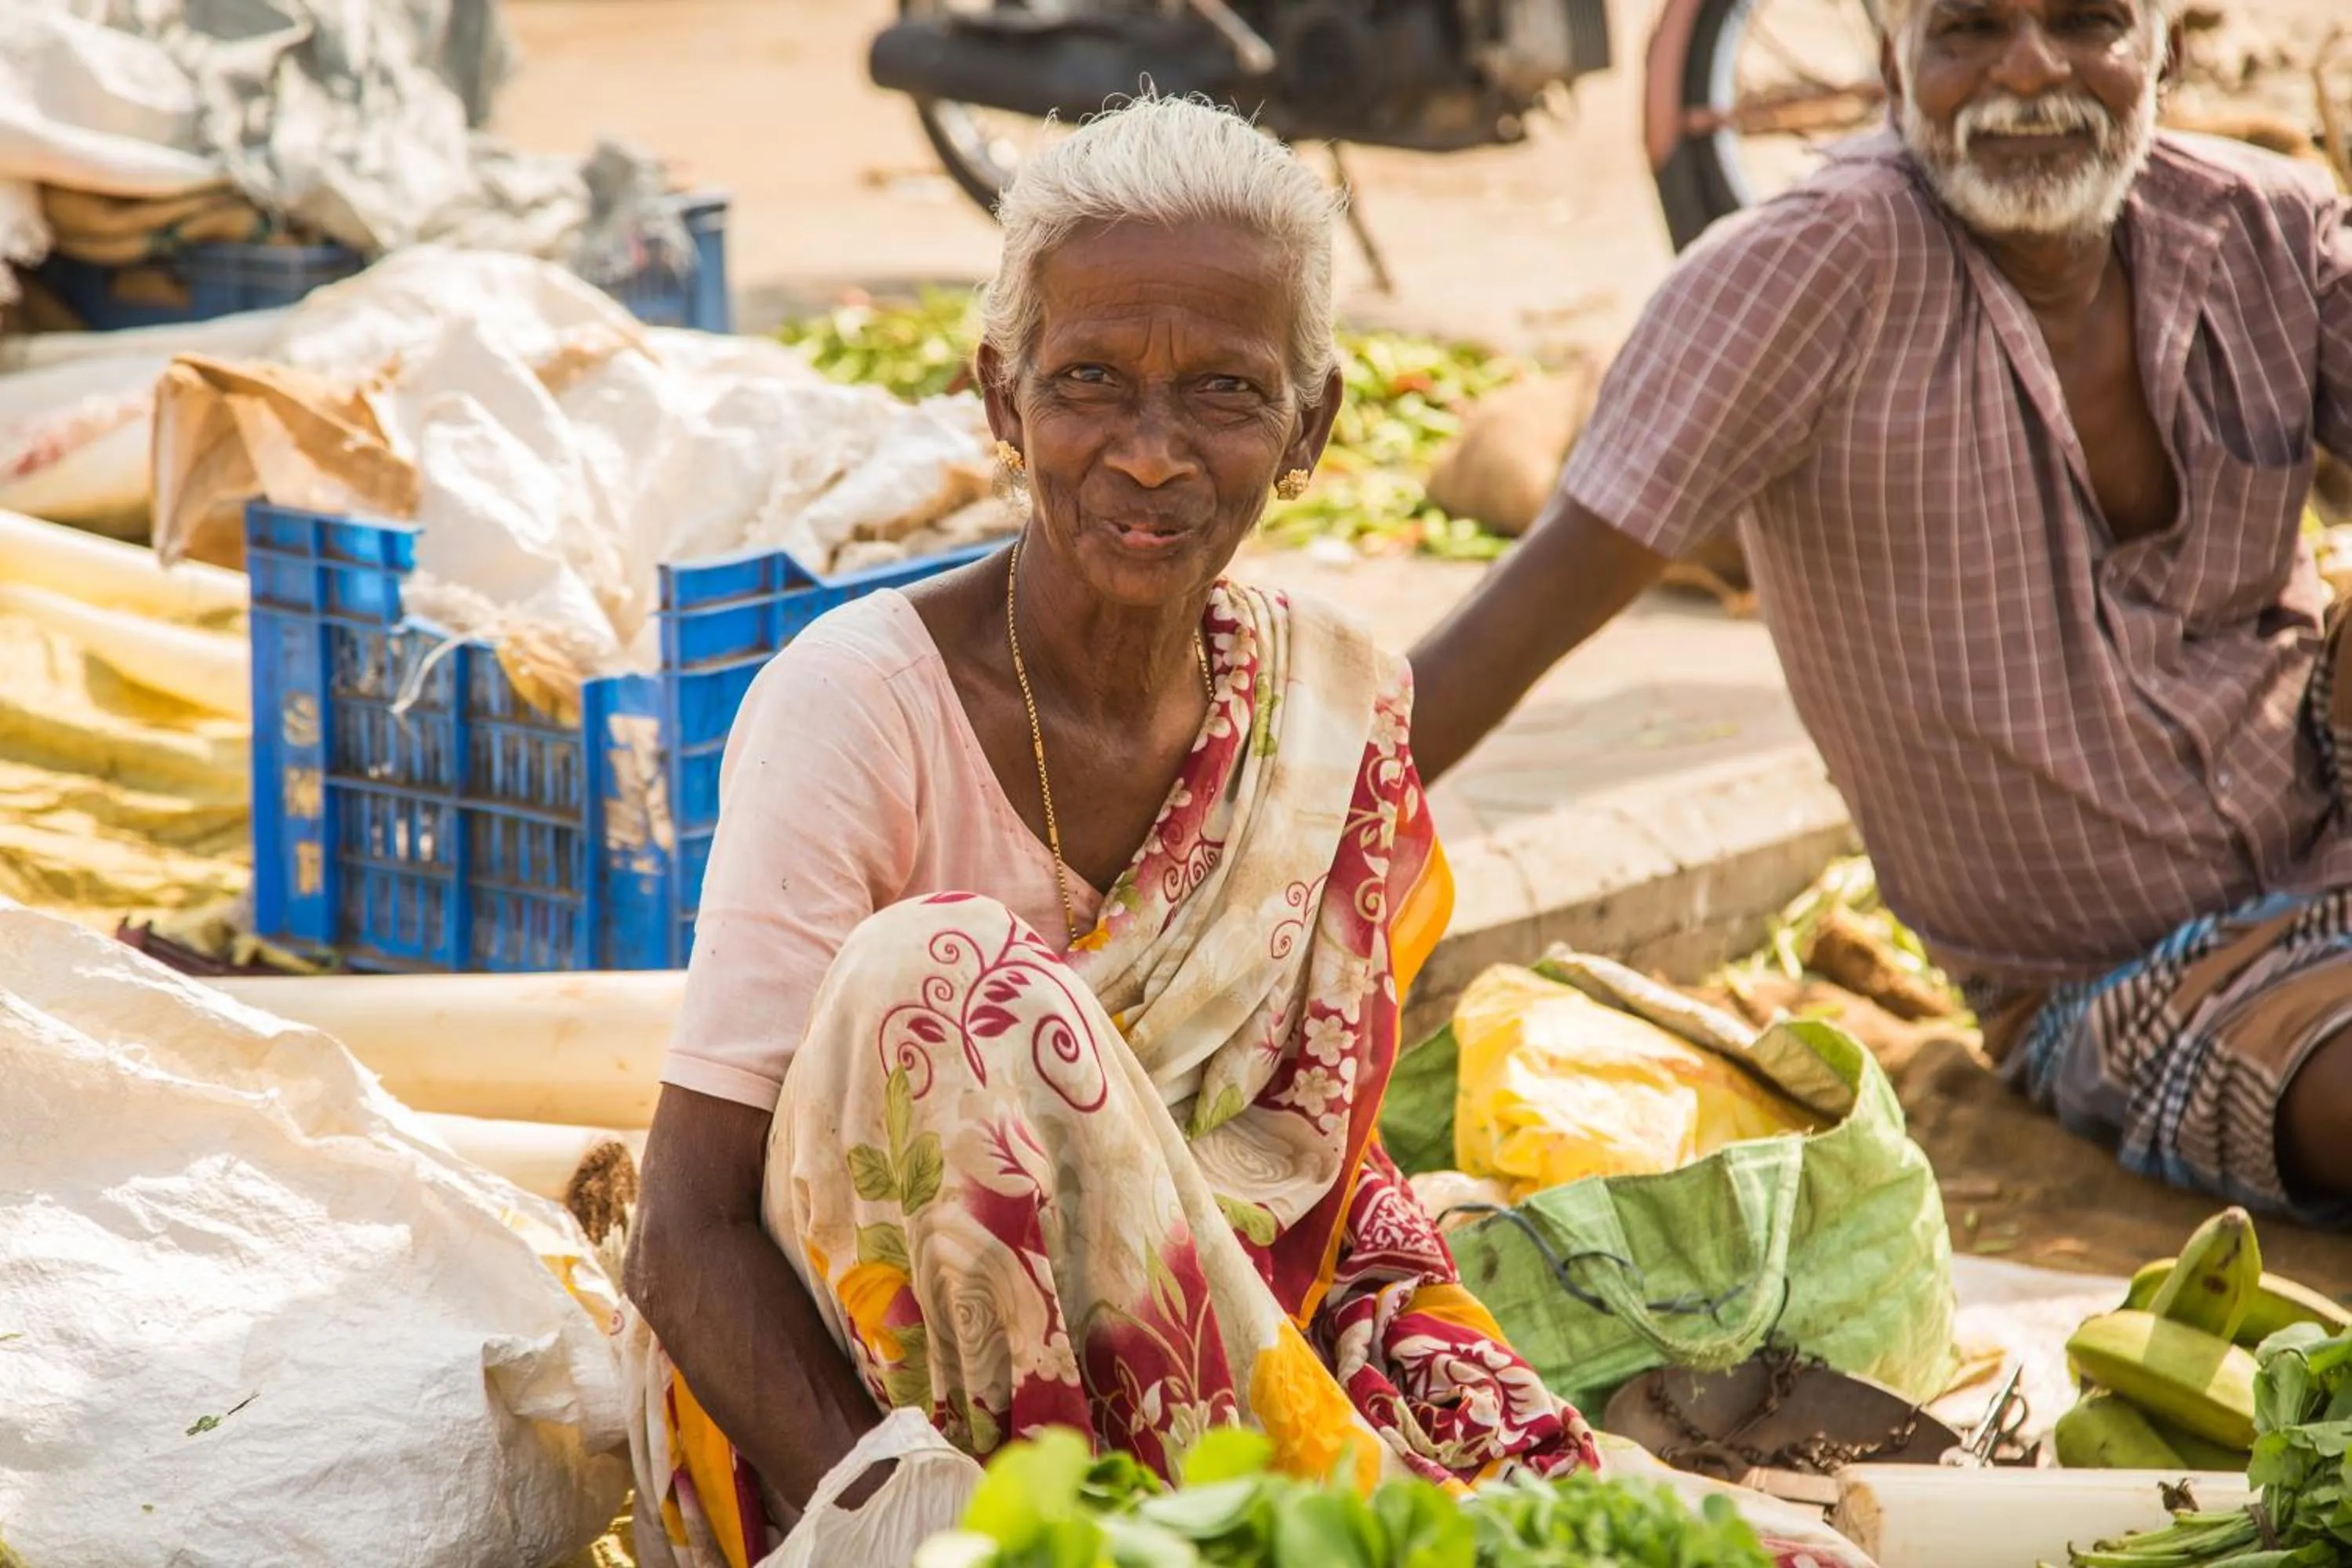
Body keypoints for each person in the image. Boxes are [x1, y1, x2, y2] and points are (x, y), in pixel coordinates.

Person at [619, 96, 1595, 1568]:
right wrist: (920, 1531)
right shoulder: (858, 706)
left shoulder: (1327, 707)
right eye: (1089, 382)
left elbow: (1315, 1184)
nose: (1151, 454)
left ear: (1312, 423)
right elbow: (683, 1234)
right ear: (1001, 401)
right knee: (944, 980)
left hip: (1214, 1414)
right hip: (848, 1445)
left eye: (1222, 391)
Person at [1412, 0, 2352, 1225]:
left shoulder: (2265, 226)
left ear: (2164, 50)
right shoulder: (1807, 273)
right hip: (2129, 983)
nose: (2028, 71)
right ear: (1890, 65)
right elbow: (1509, 628)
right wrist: (1223, 869)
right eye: (1967, 29)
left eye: (2085, 23)